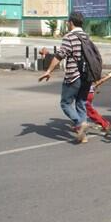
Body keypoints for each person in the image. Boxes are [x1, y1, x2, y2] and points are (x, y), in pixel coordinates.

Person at [38, 12, 91, 143]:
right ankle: (83, 135)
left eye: (67, 22)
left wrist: (49, 70)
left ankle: (80, 123)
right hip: (87, 76)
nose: (67, 24)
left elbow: (60, 55)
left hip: (74, 76)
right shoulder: (87, 37)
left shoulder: (70, 37)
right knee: (81, 103)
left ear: (71, 22)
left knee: (65, 103)